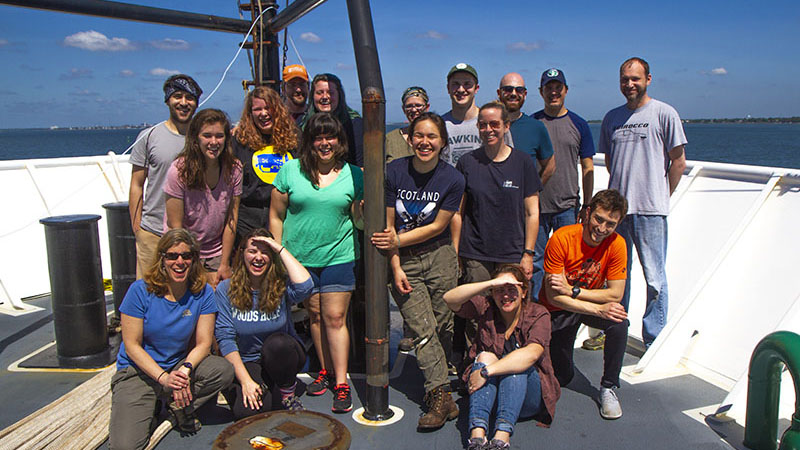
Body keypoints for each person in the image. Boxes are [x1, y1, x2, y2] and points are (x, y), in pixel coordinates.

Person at [370, 112, 464, 430]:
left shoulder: (452, 179)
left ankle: (443, 391)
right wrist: (394, 264)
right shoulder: (394, 172)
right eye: (419, 136)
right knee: (421, 329)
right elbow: (387, 223)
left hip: (439, 256)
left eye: (432, 137)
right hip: (405, 260)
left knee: (441, 325)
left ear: (442, 142)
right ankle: (439, 397)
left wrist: (396, 238)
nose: (425, 142)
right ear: (410, 138)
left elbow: (440, 224)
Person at [269, 112, 364, 413]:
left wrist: (362, 211)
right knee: (315, 317)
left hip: (338, 256)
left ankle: (341, 381)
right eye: (318, 137)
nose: (324, 143)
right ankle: (323, 370)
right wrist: (280, 254)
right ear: (308, 142)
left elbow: (359, 222)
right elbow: (276, 215)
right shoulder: (290, 172)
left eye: (330, 136)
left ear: (340, 141)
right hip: (299, 260)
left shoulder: (355, 175)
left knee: (335, 318)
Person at [109, 229, 234, 450]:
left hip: (176, 366)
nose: (180, 261)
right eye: (172, 256)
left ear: (194, 259)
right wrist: (163, 378)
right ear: (162, 259)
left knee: (223, 370)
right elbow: (132, 346)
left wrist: (184, 370)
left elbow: (204, 343)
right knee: (124, 447)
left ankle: (176, 406)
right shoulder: (140, 291)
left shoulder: (202, 292)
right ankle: (159, 403)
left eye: (186, 256)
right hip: (139, 371)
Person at [600, 57, 687, 346]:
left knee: (655, 279)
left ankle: (654, 339)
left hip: (651, 210)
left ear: (648, 79)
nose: (630, 84)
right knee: (617, 279)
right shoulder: (612, 117)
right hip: (617, 215)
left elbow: (678, 161)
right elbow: (611, 162)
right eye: (625, 79)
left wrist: (662, 194)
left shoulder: (664, 113)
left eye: (635, 79)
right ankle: (616, 333)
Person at [443, 265, 559, 450]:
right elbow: (450, 299)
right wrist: (490, 283)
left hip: (528, 398)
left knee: (517, 365)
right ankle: (477, 436)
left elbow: (532, 353)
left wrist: (486, 371)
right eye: (499, 290)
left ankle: (501, 437)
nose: (505, 296)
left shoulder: (538, 314)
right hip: (493, 396)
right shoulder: (486, 307)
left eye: (512, 289)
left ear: (524, 292)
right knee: (486, 355)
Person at [539, 189, 629, 420]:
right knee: (562, 374)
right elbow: (552, 296)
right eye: (598, 219)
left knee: (619, 322)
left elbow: (616, 294)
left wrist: (572, 290)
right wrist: (598, 307)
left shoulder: (617, 244)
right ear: (587, 213)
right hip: (558, 310)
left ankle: (608, 386)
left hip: (579, 298)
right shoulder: (562, 237)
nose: (602, 228)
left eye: (611, 223)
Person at [214, 228, 313, 419]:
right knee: (249, 413)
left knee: (278, 344)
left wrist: (279, 249)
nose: (258, 257)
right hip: (249, 361)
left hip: (283, 356)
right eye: (252, 251)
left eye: (265, 252)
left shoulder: (280, 284)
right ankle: (258, 386)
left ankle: (287, 393)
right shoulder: (226, 289)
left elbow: (305, 286)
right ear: (242, 253)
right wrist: (246, 382)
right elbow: (225, 339)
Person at [454, 101, 542, 284]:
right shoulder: (466, 163)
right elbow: (458, 213)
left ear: (506, 126)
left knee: (509, 307)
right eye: (483, 125)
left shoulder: (523, 162)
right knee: (478, 308)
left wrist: (528, 253)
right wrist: (455, 251)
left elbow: (532, 212)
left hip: (512, 253)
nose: (488, 130)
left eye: (494, 124)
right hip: (475, 253)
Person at [531, 68, 595, 304]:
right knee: (536, 262)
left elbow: (588, 167)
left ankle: (563, 313)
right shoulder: (532, 124)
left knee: (568, 264)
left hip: (566, 207)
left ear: (566, 90)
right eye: (548, 88)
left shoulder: (579, 124)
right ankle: (536, 313)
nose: (553, 92)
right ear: (541, 92)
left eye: (558, 87)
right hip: (536, 207)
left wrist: (587, 204)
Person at [129, 74, 202, 279]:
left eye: (190, 98)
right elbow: (136, 184)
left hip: (192, 234)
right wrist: (138, 229)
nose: (184, 103)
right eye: (177, 96)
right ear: (168, 100)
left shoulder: (205, 138)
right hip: (153, 232)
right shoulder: (149, 136)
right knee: (149, 292)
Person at [164, 109, 243, 287]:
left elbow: (232, 218)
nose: (213, 142)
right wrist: (193, 266)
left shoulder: (234, 169)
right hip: (183, 250)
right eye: (207, 136)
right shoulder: (178, 171)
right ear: (196, 138)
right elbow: (174, 226)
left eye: (219, 136)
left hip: (217, 251)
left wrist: (224, 263)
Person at [232, 86, 299, 245]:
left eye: (268, 108)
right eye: (257, 109)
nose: (263, 113)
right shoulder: (239, 141)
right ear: (250, 114)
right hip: (248, 219)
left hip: (286, 216)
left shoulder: (296, 138)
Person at [497, 72, 555, 185]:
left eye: (519, 90)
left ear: (525, 94)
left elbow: (550, 165)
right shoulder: (487, 126)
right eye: (508, 89)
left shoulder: (536, 127)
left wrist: (533, 191)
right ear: (499, 93)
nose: (513, 94)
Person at [300, 73, 364, 167]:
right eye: (320, 92)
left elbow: (361, 165)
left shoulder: (355, 124)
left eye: (330, 92)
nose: (325, 97)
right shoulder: (304, 124)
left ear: (339, 95)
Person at [441, 63, 482, 166]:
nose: (461, 89)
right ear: (448, 88)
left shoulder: (491, 122)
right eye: (455, 84)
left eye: (467, 84)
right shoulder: (439, 125)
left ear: (476, 88)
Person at [385, 86, 430, 163]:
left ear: (427, 107)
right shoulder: (390, 139)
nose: (413, 110)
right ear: (403, 109)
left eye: (418, 105)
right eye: (409, 106)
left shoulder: (435, 137)